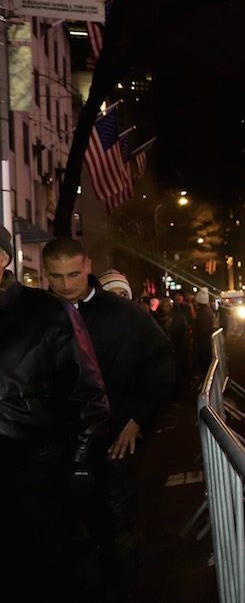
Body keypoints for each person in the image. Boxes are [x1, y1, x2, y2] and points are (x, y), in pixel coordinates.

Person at [42, 239, 175, 599]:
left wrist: (138, 420)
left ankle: (121, 582)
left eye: (73, 274)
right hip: (56, 442)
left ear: (87, 267)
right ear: (44, 273)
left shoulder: (127, 315)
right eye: (56, 276)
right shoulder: (36, 314)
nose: (66, 284)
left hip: (115, 436)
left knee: (115, 519)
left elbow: (161, 369)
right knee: (64, 524)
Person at [2, 228, 110, 601]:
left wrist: (81, 460)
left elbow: (88, 392)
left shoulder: (48, 313)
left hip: (37, 473)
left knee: (45, 575)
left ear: (2, 259)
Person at [192, 287, 215, 377]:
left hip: (203, 342)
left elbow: (204, 328)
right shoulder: (207, 310)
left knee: (205, 364)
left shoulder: (203, 312)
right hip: (205, 341)